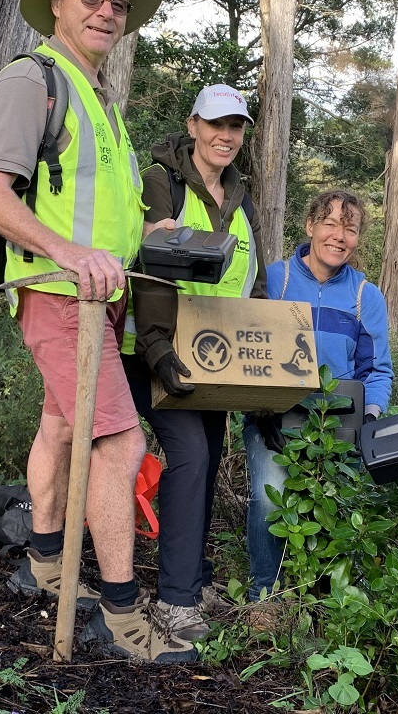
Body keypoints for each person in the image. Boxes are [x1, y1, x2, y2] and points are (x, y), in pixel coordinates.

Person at [0, 0, 194, 662]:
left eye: (118, 4)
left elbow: (94, 210)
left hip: (98, 297)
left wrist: (150, 230)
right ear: (58, 4)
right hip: (59, 292)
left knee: (62, 427)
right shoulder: (31, 78)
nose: (106, 10)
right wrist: (67, 253)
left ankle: (44, 560)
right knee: (121, 441)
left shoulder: (101, 100)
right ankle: (124, 618)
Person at [123, 84, 268, 644]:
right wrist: (157, 350)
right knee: (190, 455)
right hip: (156, 349)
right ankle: (175, 601)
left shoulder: (239, 193)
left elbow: (249, 274)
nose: (226, 136)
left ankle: (196, 577)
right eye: (216, 125)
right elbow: (155, 263)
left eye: (235, 127)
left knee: (210, 460)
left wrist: (256, 351)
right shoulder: (163, 180)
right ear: (192, 126)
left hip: (216, 355)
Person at [244, 189, 393, 602]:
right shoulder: (275, 279)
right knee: (269, 499)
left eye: (350, 228)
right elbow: (248, 351)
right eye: (329, 224)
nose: (339, 236)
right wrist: (262, 410)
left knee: (336, 508)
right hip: (273, 417)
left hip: (338, 422)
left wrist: (370, 416)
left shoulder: (366, 296)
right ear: (310, 226)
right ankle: (265, 596)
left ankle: (324, 600)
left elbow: (377, 370)